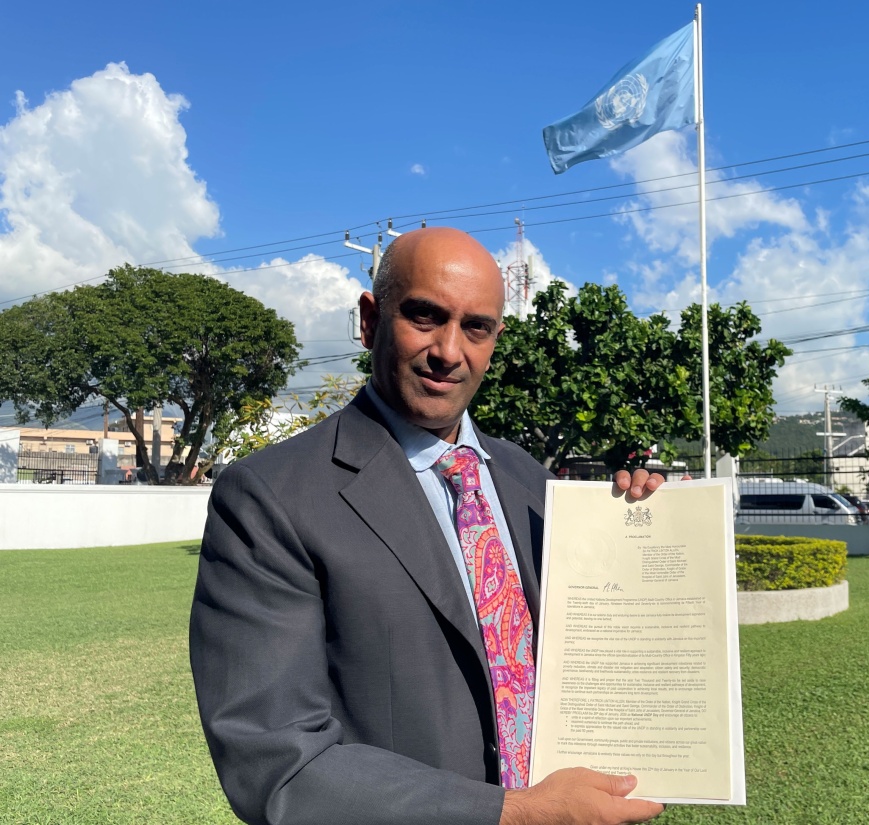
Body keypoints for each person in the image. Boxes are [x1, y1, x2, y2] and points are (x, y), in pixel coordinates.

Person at [190, 227, 666, 825]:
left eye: (477, 327)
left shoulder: (527, 479)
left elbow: (594, 641)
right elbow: (278, 763)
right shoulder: (269, 497)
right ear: (370, 320)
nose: (449, 351)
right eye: (423, 316)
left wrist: (644, 527)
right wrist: (513, 813)